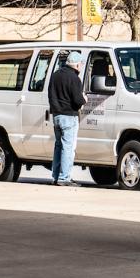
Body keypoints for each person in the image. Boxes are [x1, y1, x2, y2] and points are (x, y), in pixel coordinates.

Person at [48, 51, 86, 186]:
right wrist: (84, 99)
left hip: (56, 116)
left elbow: (51, 95)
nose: (81, 66)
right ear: (76, 65)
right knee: (67, 148)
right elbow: (77, 100)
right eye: (81, 64)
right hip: (69, 116)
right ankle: (64, 178)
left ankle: (56, 176)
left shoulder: (55, 76)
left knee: (58, 146)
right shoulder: (75, 79)